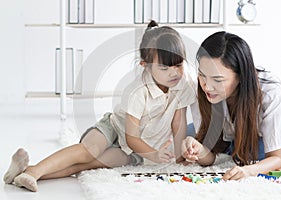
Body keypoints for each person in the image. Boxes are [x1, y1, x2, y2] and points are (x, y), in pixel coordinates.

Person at [3, 20, 196, 192]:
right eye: (164, 68)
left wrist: (179, 157)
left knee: (86, 165)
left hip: (135, 151)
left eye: (178, 65)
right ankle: (35, 171)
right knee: (88, 152)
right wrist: (153, 154)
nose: (174, 73)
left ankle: (22, 173)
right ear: (145, 65)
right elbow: (130, 136)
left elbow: (178, 122)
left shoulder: (182, 85)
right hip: (116, 130)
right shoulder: (138, 91)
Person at [181, 31, 281, 180]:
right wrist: (198, 149)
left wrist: (250, 171)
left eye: (218, 80)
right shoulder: (201, 89)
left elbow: (277, 159)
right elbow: (210, 156)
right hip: (235, 130)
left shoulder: (270, 93)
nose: (207, 87)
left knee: (247, 152)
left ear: (240, 77)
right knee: (187, 136)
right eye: (202, 75)